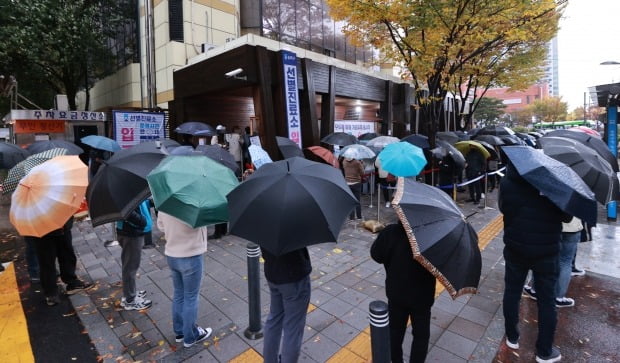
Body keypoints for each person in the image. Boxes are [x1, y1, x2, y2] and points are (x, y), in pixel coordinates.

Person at [499, 162, 571, 363]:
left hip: (515, 247)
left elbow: (504, 208)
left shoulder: (508, 181)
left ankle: (512, 336)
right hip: (546, 251)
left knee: (512, 292)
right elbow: (567, 216)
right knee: (547, 300)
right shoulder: (555, 181)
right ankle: (544, 351)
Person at [371, 221, 436, 363]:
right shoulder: (433, 235)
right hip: (423, 296)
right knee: (421, 335)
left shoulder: (391, 232)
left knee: (395, 333)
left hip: (397, 293)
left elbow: (376, 255)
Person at [157, 211, 212, 348]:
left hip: (172, 254)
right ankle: (191, 336)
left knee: (179, 294)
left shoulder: (166, 202)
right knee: (191, 297)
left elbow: (161, 226)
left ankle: (179, 331)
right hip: (191, 255)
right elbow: (203, 222)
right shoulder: (192, 202)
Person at [25, 217, 92, 306]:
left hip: (61, 224)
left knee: (66, 254)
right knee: (47, 261)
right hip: (42, 230)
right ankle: (51, 292)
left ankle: (71, 282)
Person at [261, 247, 312, 363]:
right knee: (293, 328)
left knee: (274, 319)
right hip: (294, 275)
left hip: (272, 271)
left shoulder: (259, 227)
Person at [523, 217, 583, 308]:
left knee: (542, 256)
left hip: (550, 225)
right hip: (573, 228)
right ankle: (559, 298)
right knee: (565, 262)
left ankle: (535, 290)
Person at [116, 199, 153, 310]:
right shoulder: (123, 189)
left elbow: (137, 203)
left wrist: (149, 202)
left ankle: (130, 293)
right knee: (130, 267)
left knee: (130, 265)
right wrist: (142, 221)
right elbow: (127, 212)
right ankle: (130, 299)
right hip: (131, 234)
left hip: (131, 232)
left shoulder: (127, 186)